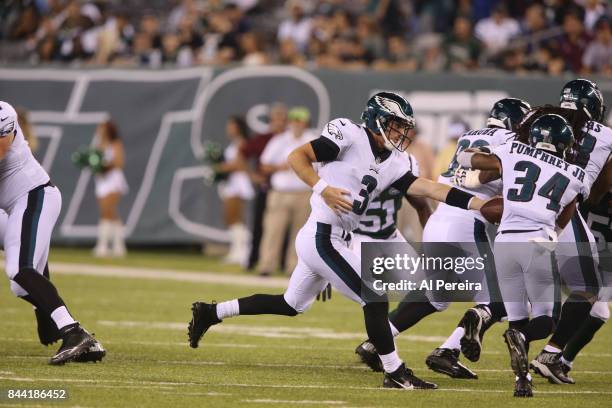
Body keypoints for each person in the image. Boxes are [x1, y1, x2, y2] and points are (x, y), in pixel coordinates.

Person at [188, 91, 487, 390]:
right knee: (375, 295)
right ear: (377, 120)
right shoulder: (348, 134)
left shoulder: (395, 161)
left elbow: (431, 190)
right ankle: (395, 371)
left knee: (292, 304)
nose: (401, 132)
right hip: (321, 236)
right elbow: (297, 156)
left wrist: (478, 204)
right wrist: (323, 188)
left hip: (337, 238)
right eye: (396, 124)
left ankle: (211, 312)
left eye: (403, 126)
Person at [354, 98, 531, 379]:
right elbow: (489, 177)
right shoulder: (511, 141)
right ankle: (447, 351)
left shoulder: (469, 135)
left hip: (442, 219)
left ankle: (376, 342)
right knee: (503, 296)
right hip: (469, 221)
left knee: (437, 295)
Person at [460, 113, 588, 397]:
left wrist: (472, 153)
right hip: (537, 241)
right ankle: (524, 341)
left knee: (517, 318)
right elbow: (563, 218)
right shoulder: (575, 174)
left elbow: (468, 159)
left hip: (504, 243)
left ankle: (523, 381)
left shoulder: (513, 151)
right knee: (546, 319)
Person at [0, 100, 105, 365]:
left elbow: (0, 150)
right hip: (12, 206)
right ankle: (65, 325)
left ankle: (73, 331)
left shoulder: (2, 112)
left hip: (33, 195)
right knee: (19, 284)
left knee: (19, 269)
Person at [529, 79, 611, 384]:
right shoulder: (605, 135)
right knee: (588, 288)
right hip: (563, 209)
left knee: (595, 305)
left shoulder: (540, 120)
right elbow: (600, 188)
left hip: (526, 206)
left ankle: (557, 359)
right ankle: (550, 354)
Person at [256, 107, 316, 276]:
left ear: (305, 123)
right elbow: (264, 165)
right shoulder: (279, 140)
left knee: (300, 233)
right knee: (273, 230)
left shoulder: (312, 139)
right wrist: (281, 166)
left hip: (303, 192)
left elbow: (321, 166)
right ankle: (266, 265)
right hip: (280, 192)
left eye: (300, 120)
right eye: (294, 120)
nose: (297, 124)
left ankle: (294, 267)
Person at [239, 103, 288, 270]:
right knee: (259, 225)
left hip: (286, 189)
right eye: (276, 119)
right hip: (267, 187)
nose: (279, 123)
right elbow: (243, 153)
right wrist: (253, 176)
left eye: (282, 119)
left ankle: (283, 263)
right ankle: (253, 259)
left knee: (285, 228)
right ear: (271, 121)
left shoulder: (292, 139)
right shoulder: (264, 139)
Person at [215, 116, 255, 265]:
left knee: (236, 217)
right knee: (231, 218)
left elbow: (239, 164)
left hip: (239, 183)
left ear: (238, 127)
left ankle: (243, 252)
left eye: (231, 126)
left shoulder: (242, 143)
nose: (228, 129)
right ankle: (236, 251)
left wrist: (219, 168)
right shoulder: (234, 143)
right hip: (232, 183)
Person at [92, 120, 129, 258]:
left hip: (113, 181)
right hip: (102, 181)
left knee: (106, 211)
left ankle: (103, 245)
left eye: (102, 128)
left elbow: (119, 162)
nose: (99, 131)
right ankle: (119, 246)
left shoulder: (115, 144)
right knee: (111, 213)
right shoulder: (99, 145)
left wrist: (106, 166)